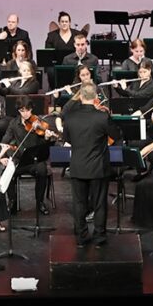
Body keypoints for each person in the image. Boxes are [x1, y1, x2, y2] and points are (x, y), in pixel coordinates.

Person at [62, 83, 116, 246]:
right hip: (98, 167)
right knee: (99, 204)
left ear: (80, 96)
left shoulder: (70, 117)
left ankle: (81, 237)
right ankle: (99, 236)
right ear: (95, 97)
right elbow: (116, 134)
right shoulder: (102, 117)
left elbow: (68, 139)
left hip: (78, 166)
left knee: (79, 204)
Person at [0, 96, 58, 215]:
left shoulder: (39, 122)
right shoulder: (13, 123)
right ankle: (12, 201)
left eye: (27, 110)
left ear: (31, 109)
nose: (25, 113)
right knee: (7, 172)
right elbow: (4, 141)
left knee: (42, 170)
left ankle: (40, 202)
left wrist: (46, 138)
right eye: (22, 110)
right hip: (19, 160)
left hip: (34, 161)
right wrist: (3, 156)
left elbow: (44, 146)